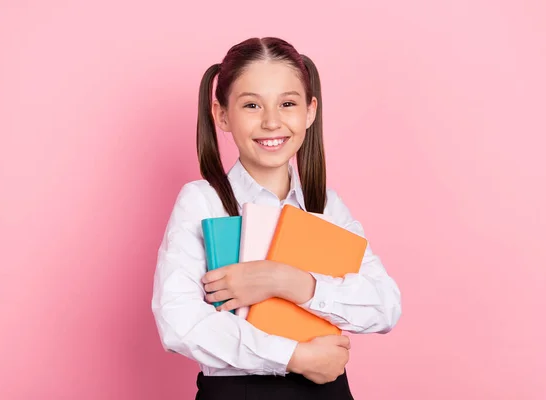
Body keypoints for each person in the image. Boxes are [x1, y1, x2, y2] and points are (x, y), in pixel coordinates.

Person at [151, 37, 402, 400]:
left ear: (310, 112)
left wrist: (288, 282)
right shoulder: (202, 201)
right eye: (252, 105)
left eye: (287, 103)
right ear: (222, 114)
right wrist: (293, 356)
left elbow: (385, 306)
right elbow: (180, 323)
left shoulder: (326, 206)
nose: (272, 122)